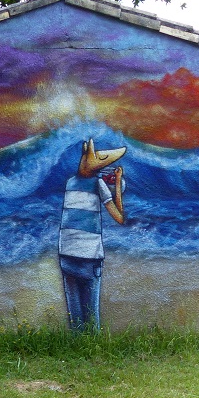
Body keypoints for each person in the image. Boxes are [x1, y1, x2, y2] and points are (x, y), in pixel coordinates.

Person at [57, 138, 126, 330]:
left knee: (75, 318)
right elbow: (119, 217)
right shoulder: (98, 185)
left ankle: (75, 348)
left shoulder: (70, 183)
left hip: (66, 253)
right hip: (89, 255)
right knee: (92, 316)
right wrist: (117, 185)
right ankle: (93, 349)